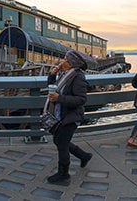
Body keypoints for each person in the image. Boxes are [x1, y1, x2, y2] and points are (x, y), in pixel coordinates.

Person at [45, 50, 93, 186]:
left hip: (70, 117)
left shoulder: (78, 77)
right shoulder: (65, 75)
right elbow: (52, 89)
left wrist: (60, 98)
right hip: (61, 114)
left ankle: (63, 175)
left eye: (65, 60)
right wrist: (52, 75)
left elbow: (81, 99)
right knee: (60, 140)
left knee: (61, 143)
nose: (62, 62)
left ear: (72, 63)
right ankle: (84, 156)